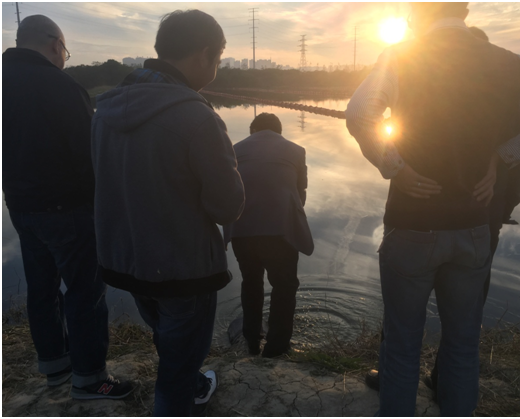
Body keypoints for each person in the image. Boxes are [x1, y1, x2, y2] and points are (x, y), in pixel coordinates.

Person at [345, 2, 520, 416]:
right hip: (474, 227)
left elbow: (360, 114)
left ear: (415, 15)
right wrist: (502, 156)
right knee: (462, 348)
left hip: (412, 224)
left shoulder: (402, 56)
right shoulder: (511, 64)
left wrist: (396, 168)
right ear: (465, 10)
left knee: (402, 347)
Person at [91, 9, 245, 417]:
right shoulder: (198, 116)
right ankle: (182, 393)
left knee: (167, 335)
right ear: (204, 54)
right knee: (177, 366)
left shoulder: (104, 111)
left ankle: (192, 383)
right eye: (218, 58)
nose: (216, 67)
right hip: (182, 268)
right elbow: (227, 205)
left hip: (127, 260)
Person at [3, 15, 132, 399]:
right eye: (65, 50)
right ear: (55, 44)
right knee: (84, 291)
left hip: (20, 207)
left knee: (41, 288)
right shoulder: (60, 85)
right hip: (67, 208)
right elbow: (89, 153)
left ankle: (55, 365)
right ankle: (90, 378)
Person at [223, 113, 313, 358]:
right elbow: (300, 195)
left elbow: (227, 190)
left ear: (252, 131)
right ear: (279, 132)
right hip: (281, 232)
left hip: (241, 231)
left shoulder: (234, 150)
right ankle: (276, 347)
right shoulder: (296, 151)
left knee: (251, 282)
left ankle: (251, 341)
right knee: (284, 286)